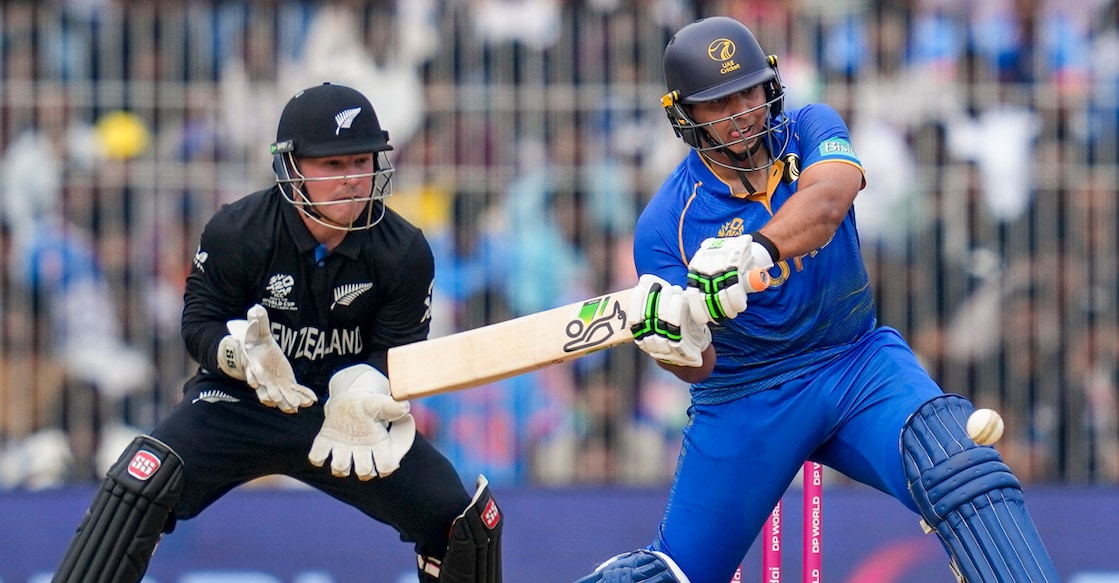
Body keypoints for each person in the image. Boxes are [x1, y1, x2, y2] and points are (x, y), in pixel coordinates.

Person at [575, 17, 1058, 583]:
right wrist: (673, 344)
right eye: (717, 101)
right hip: (747, 397)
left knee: (962, 471)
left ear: (770, 85)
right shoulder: (663, 225)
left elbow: (829, 201)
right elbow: (698, 369)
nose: (740, 112)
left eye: (749, 91)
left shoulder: (810, 126)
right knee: (663, 576)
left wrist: (754, 250)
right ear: (685, 114)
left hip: (855, 361)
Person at [52, 83, 502, 583]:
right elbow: (198, 323)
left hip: (346, 417)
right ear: (292, 168)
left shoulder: (404, 250)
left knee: (462, 522)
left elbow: (395, 353)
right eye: (331, 165)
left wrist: (369, 386)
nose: (352, 179)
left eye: (361, 160)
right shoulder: (237, 231)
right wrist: (235, 355)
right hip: (242, 402)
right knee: (140, 481)